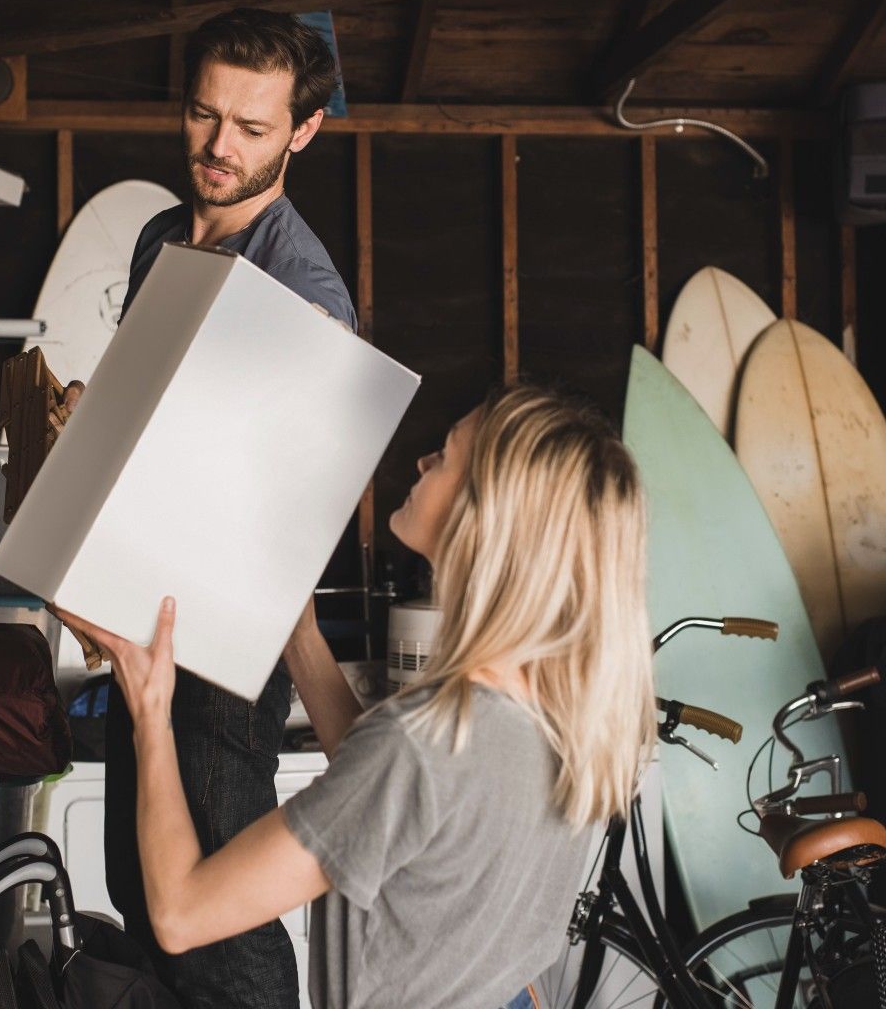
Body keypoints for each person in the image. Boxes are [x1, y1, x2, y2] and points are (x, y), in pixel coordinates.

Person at [54, 386, 657, 1009]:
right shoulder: (563, 720)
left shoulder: (420, 745)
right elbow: (392, 802)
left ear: (487, 517)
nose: (423, 463)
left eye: (444, 456)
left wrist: (150, 708)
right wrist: (302, 638)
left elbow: (181, 912)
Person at [56, 7, 360, 1009]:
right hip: (146, 610)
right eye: (203, 115)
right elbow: (160, 411)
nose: (219, 147)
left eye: (253, 129)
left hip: (228, 646)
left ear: (303, 132)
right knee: (139, 895)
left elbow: (282, 503)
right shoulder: (158, 236)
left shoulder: (304, 289)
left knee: (218, 928)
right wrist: (90, 420)